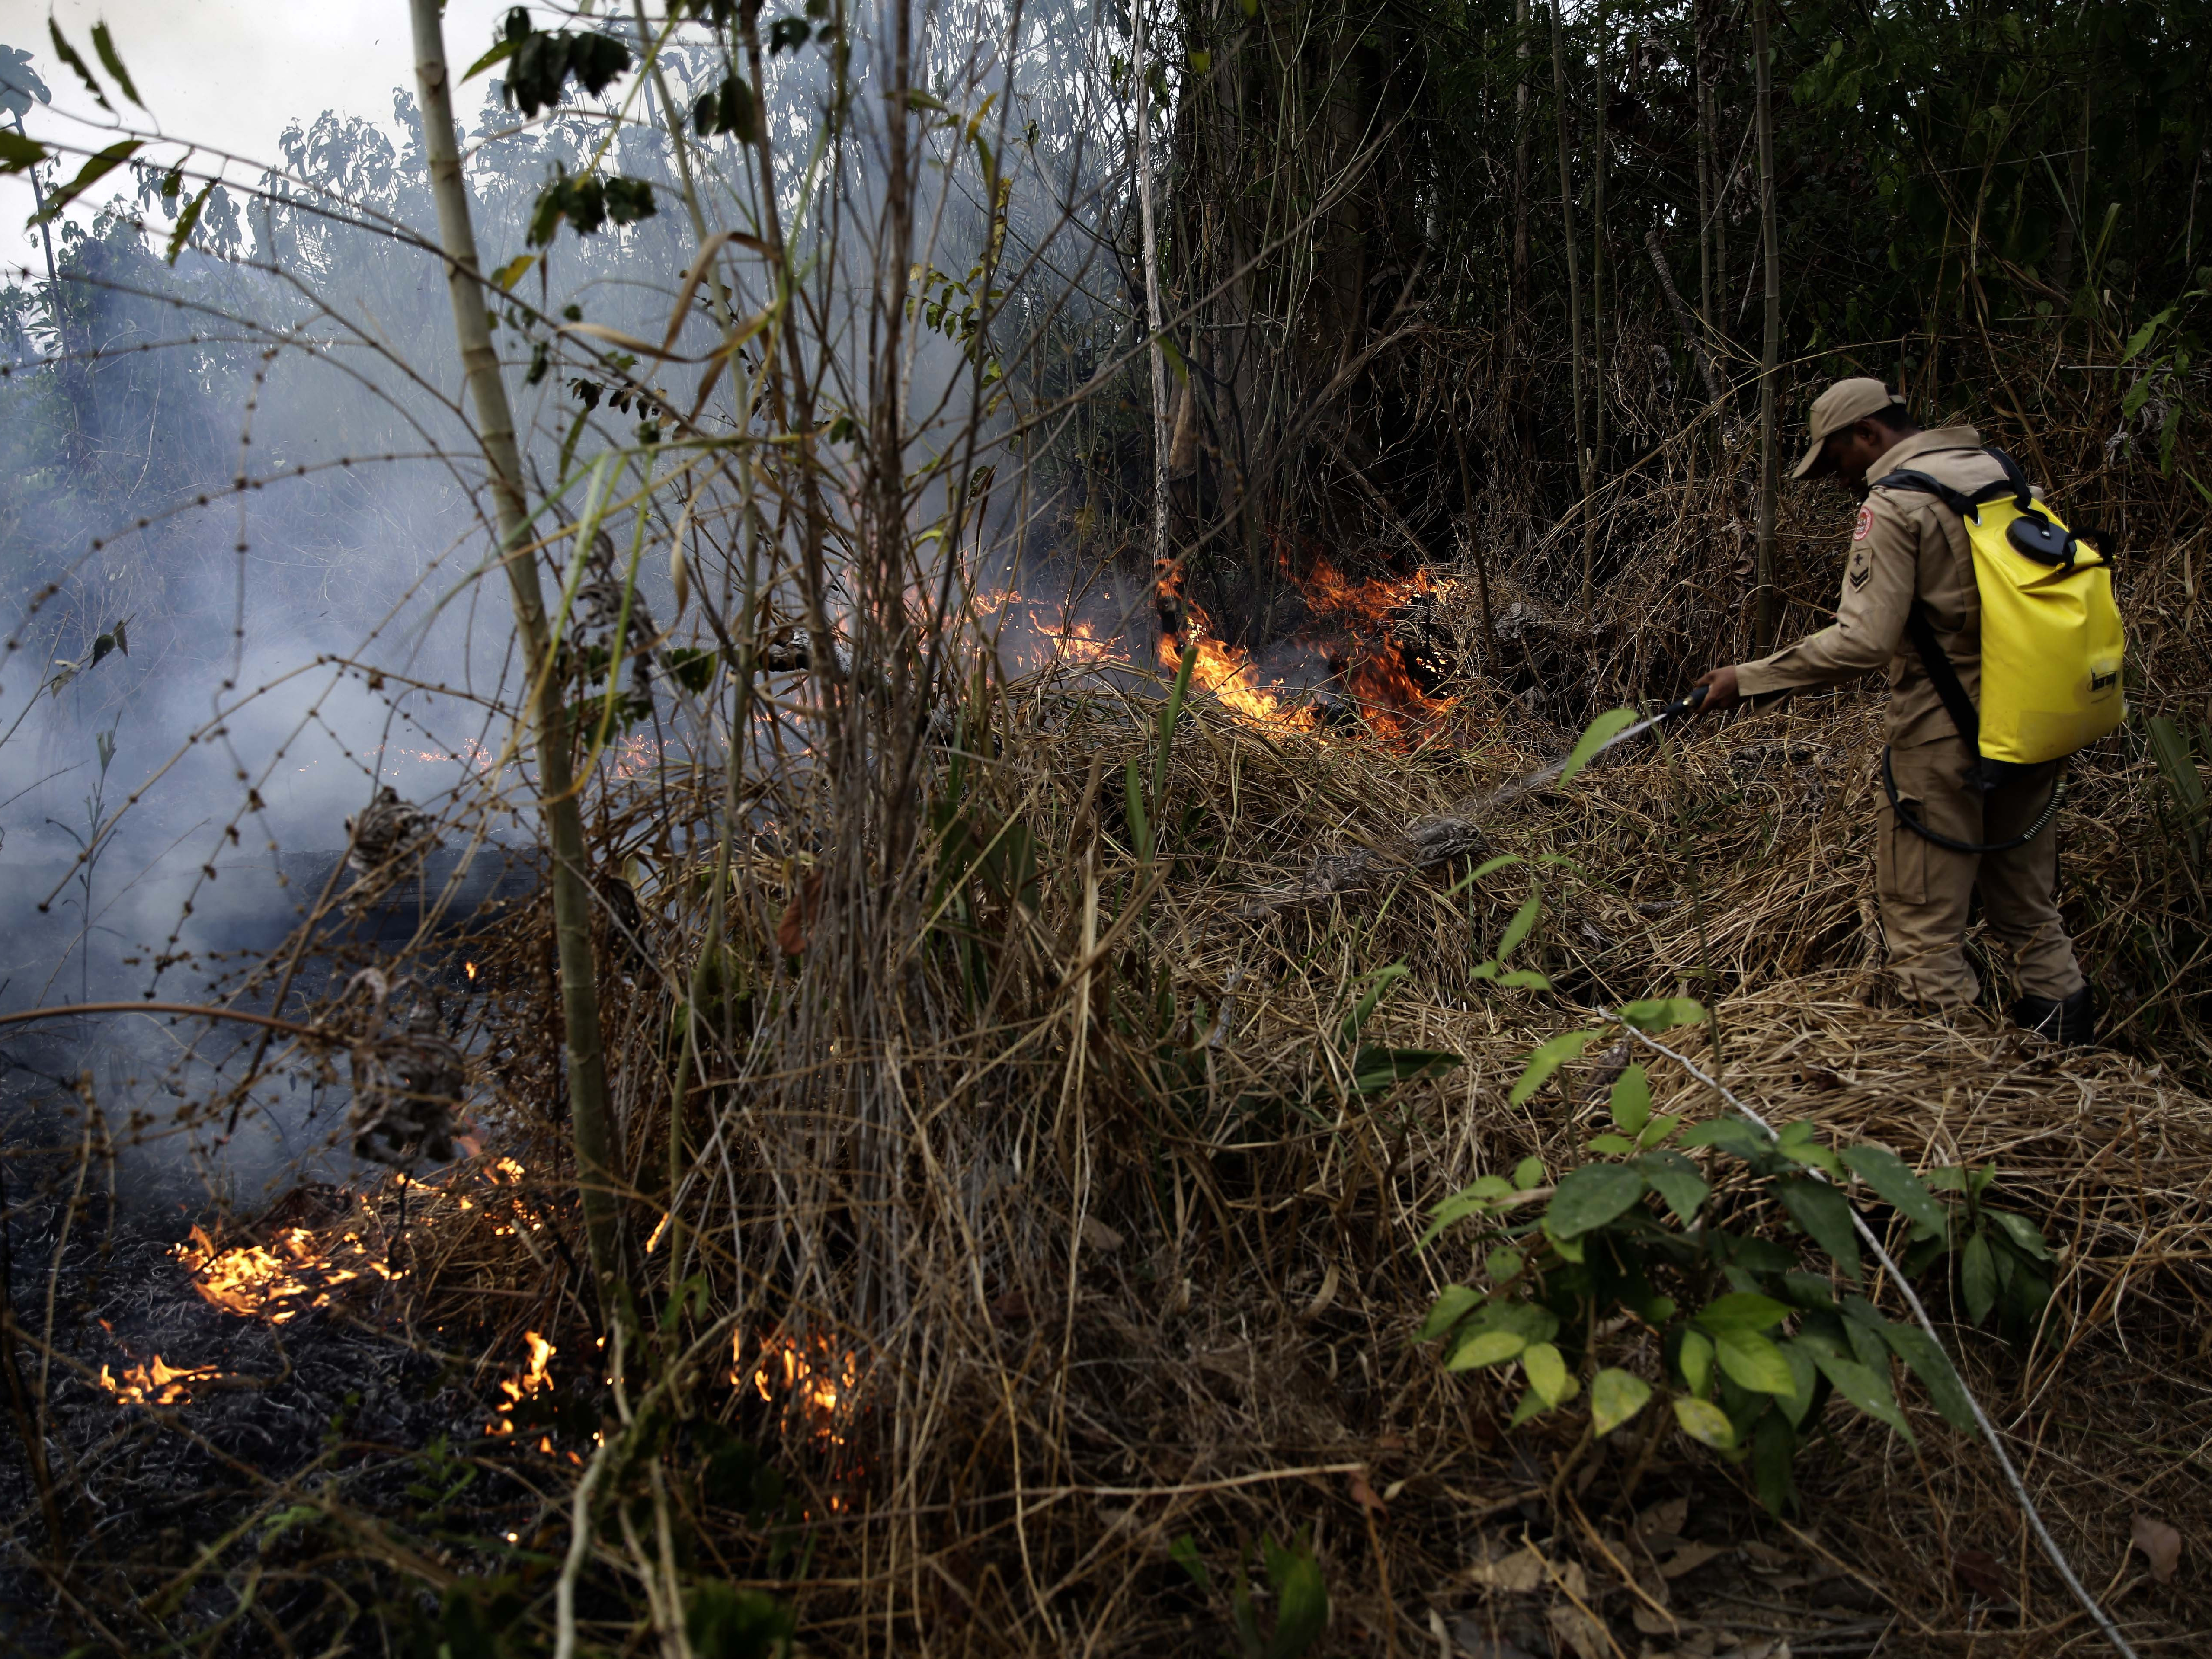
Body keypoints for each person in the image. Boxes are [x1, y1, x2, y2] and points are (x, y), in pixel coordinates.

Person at [1689, 377, 2093, 1044]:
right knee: (2031, 914)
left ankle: (1952, 1095)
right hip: (2036, 720)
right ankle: (2072, 1071)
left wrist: (1749, 679)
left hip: (1945, 740)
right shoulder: (2000, 475)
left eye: (1838, 460)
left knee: (1924, 926)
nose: (1837, 478)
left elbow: (1863, 642)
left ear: (1868, 434)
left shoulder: (1898, 503)